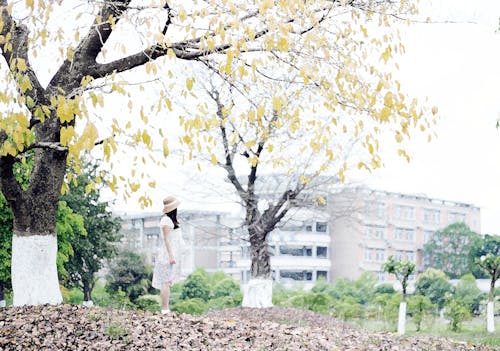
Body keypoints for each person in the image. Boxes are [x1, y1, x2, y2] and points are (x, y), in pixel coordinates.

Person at [152, 196, 182, 314]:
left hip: (170, 254)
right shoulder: (166, 221)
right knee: (165, 281)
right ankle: (165, 308)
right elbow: (166, 239)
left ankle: (166, 308)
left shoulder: (170, 220)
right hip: (166, 255)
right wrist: (171, 256)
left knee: (167, 281)